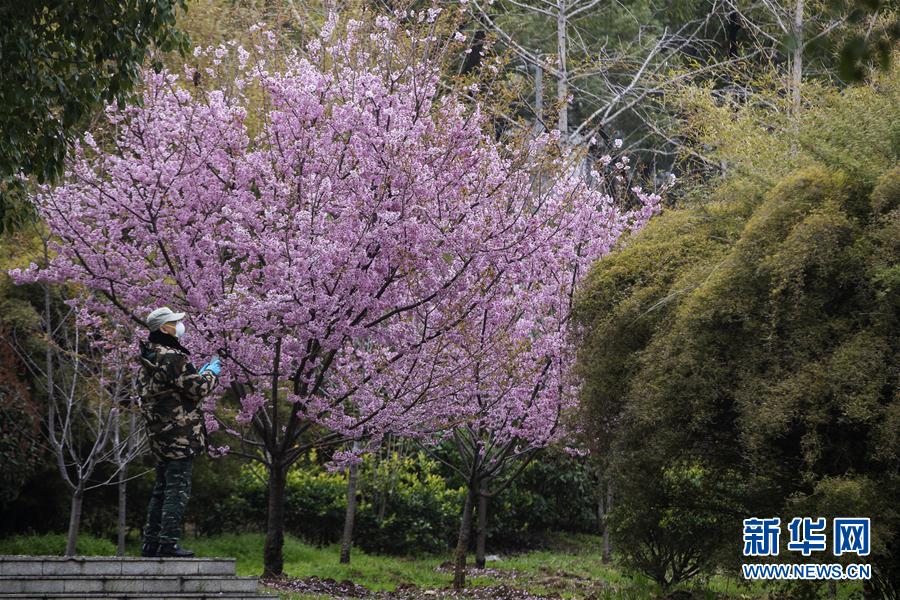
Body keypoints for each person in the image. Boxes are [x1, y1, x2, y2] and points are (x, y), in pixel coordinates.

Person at [136, 307, 221, 558]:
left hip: (159, 433)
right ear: (164, 328)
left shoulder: (149, 357)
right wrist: (210, 373)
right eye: (175, 322)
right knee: (177, 488)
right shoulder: (173, 357)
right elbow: (198, 389)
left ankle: (151, 542)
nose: (179, 326)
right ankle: (168, 544)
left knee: (161, 487)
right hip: (180, 434)